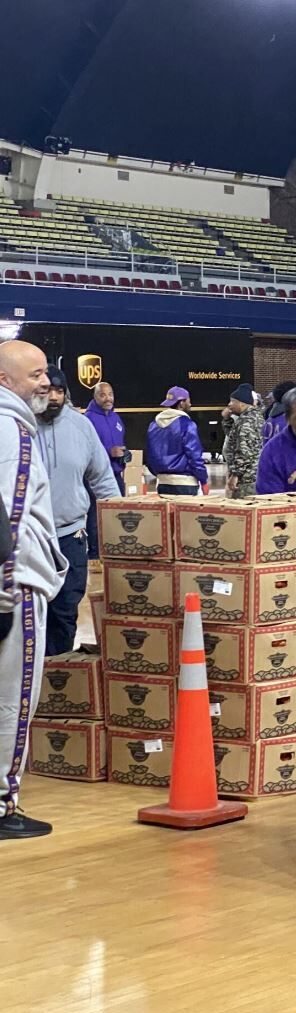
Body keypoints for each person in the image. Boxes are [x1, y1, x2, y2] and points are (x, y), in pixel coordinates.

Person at [0, 341, 67, 839]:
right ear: (6, 381)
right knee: (14, 699)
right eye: (35, 375)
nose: (45, 383)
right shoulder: (12, 429)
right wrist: (4, 589)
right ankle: (3, 806)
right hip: (14, 587)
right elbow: (12, 515)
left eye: (46, 373)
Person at [35, 367, 119, 655]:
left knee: (64, 611)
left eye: (59, 391)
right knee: (26, 615)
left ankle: (57, 679)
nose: (54, 397)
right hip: (27, 540)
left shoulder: (81, 427)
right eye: (47, 390)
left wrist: (119, 524)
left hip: (70, 536)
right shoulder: (15, 424)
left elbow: (103, 479)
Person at [146, 386, 208, 496]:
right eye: (188, 400)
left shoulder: (153, 425)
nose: (190, 404)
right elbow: (194, 456)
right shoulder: (187, 425)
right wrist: (203, 480)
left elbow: (150, 457)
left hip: (162, 484)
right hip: (185, 484)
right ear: (181, 403)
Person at [223, 383, 266, 499]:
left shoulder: (246, 421)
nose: (229, 404)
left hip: (247, 480)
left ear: (241, 403)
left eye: (232, 401)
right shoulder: (256, 417)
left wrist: (235, 475)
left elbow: (244, 452)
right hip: (256, 476)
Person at [84, 382, 127, 494]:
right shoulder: (87, 419)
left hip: (116, 476)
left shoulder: (116, 418)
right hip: (96, 479)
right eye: (103, 395)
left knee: (120, 511)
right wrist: (109, 452)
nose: (108, 398)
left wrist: (125, 455)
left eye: (110, 394)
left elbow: (120, 444)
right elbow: (84, 451)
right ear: (95, 397)